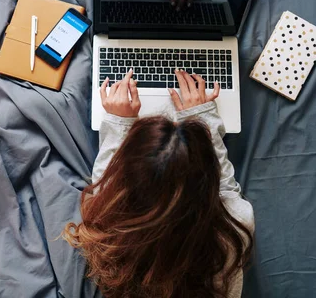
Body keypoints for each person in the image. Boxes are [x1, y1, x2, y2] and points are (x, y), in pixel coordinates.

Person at [63, 69, 254, 298]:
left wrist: (118, 122)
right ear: (208, 176)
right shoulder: (235, 225)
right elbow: (227, 190)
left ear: (126, 175)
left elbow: (106, 183)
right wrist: (202, 117)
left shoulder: (107, 225)